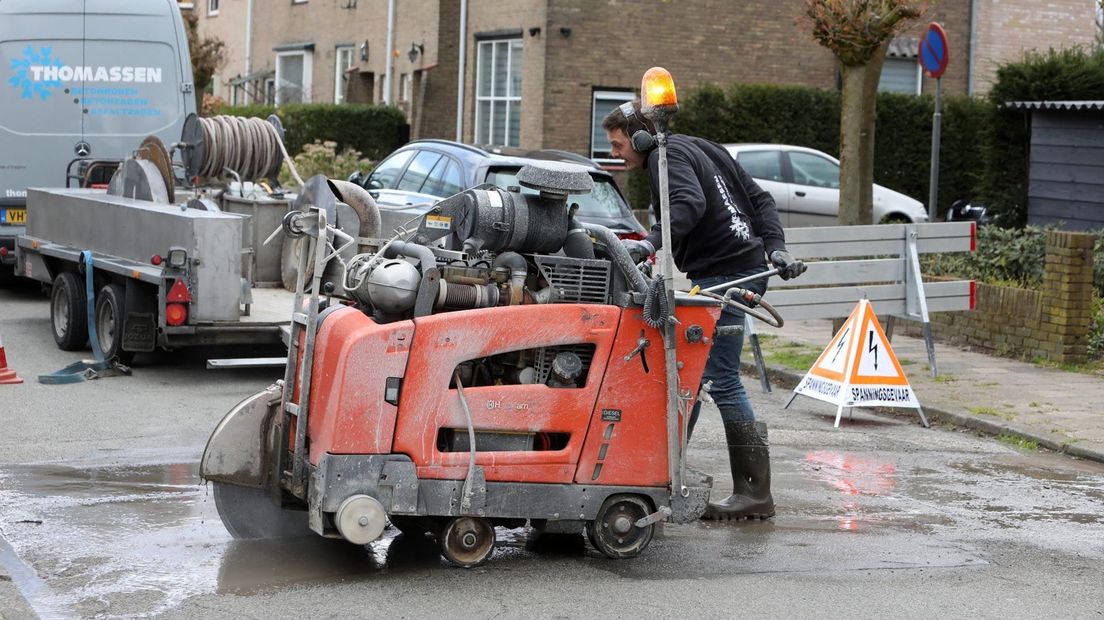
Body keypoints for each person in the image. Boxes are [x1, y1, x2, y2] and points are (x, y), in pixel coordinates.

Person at [602, 101, 805, 521]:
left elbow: (688, 205)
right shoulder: (706, 147)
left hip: (727, 275)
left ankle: (753, 494)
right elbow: (760, 200)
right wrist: (776, 247)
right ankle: (665, 472)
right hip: (740, 267)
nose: (616, 154)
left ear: (641, 136)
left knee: (720, 378)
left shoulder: (664, 155)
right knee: (689, 373)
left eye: (618, 144)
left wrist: (649, 243)